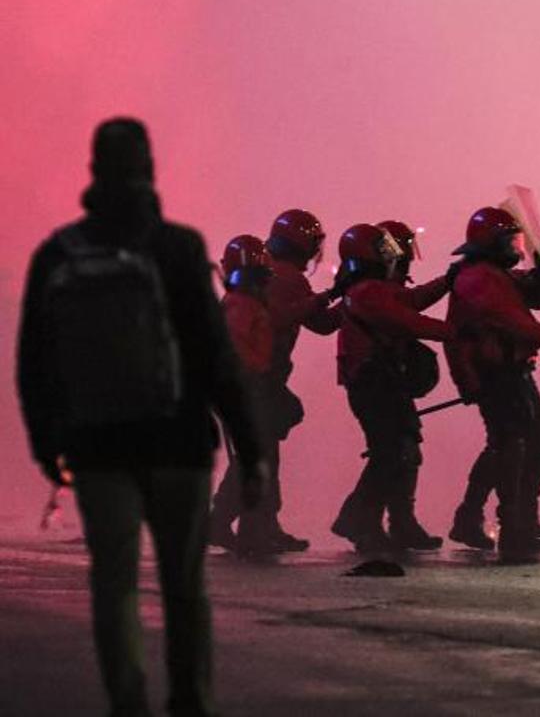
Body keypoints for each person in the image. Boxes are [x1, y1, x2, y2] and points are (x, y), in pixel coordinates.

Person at [16, 117, 264, 717]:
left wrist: (49, 445)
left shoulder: (58, 253)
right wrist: (249, 445)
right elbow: (215, 356)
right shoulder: (179, 247)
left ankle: (127, 704)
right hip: (179, 443)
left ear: (94, 169)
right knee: (183, 588)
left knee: (116, 584)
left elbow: (34, 362)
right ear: (149, 167)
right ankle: (190, 701)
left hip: (98, 448)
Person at [444, 207, 540, 561]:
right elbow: (509, 318)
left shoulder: (492, 275)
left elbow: (531, 294)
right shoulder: (478, 278)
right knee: (512, 444)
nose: (515, 247)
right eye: (509, 240)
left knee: (521, 441)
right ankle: (513, 523)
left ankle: (503, 517)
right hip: (495, 374)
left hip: (509, 370)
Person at [212, 208, 339, 552]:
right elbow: (295, 318)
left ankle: (254, 523)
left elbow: (317, 321)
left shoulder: (266, 277)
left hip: (252, 381)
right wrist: (334, 297)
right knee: (261, 457)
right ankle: (242, 525)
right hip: (258, 381)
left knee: (260, 454)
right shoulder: (287, 279)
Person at [330, 221, 453, 554]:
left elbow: (409, 301)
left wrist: (446, 281)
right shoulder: (367, 292)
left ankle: (396, 522)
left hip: (384, 381)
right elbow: (408, 318)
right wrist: (457, 331)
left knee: (402, 451)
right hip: (375, 383)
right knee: (389, 454)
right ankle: (361, 520)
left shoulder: (370, 289)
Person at [208, 235, 279, 555]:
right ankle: (236, 526)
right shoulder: (243, 305)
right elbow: (238, 348)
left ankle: (228, 524)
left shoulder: (238, 302)